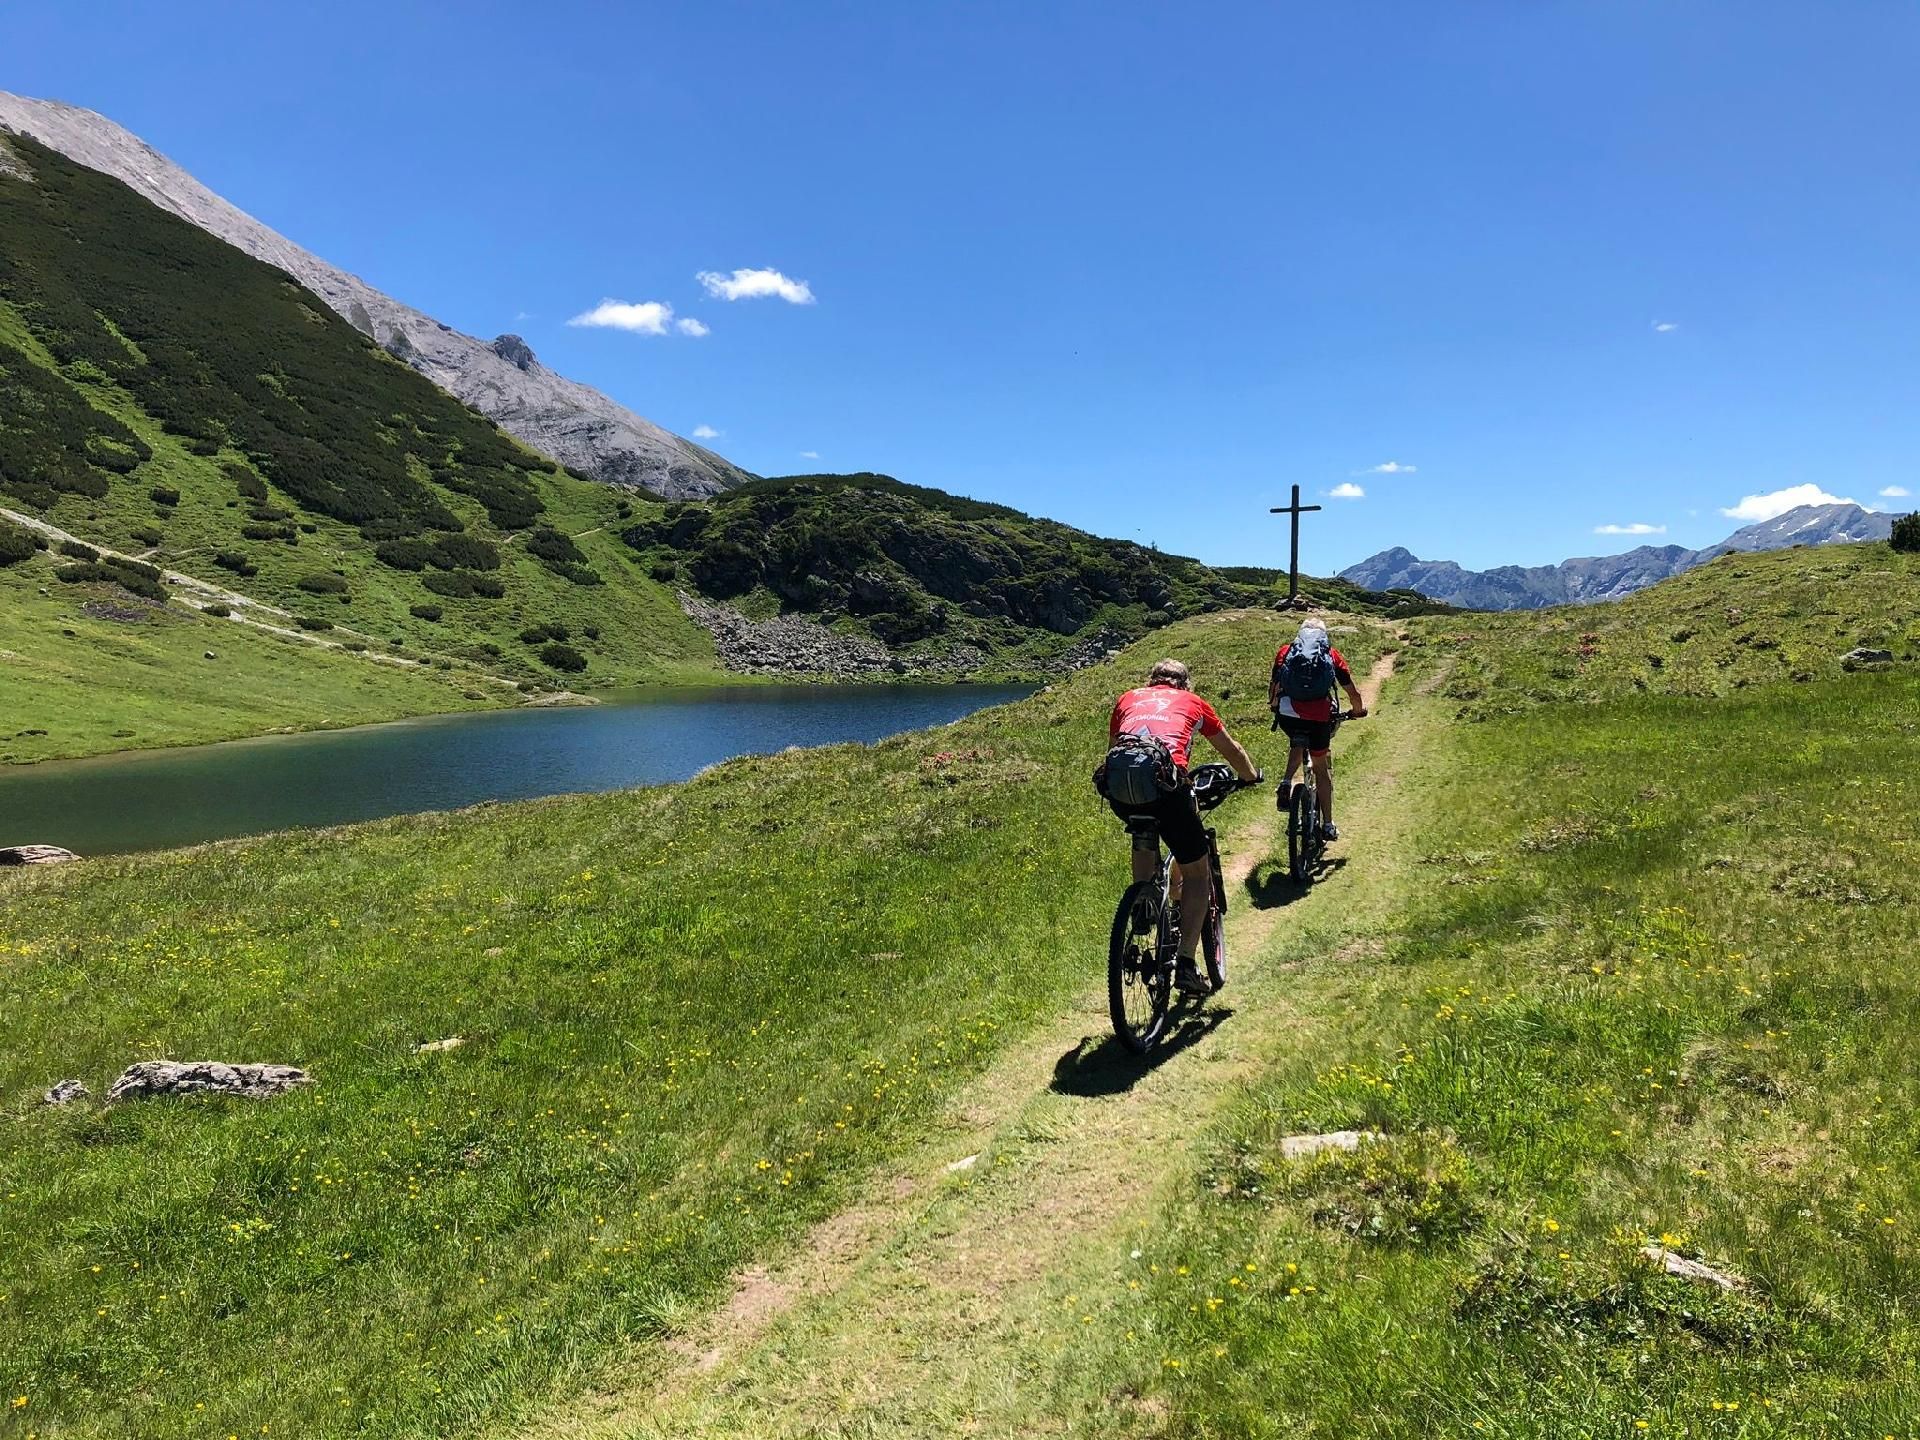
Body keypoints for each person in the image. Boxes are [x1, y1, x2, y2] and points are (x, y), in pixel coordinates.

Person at [1101, 659, 1262, 994]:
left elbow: (1114, 750)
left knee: (1143, 829)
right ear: (1186, 684)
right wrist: (1250, 776)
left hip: (1121, 790)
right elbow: (1231, 749)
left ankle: (1143, 904)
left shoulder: (1128, 698)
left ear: (1151, 680)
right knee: (1197, 873)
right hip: (1167, 789)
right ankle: (1186, 963)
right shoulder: (1194, 702)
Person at [1269, 618, 1367, 841]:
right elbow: (1353, 693)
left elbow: (1274, 686)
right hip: (1318, 719)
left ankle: (1286, 782)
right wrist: (1357, 711)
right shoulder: (1330, 654)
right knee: (1321, 768)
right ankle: (1329, 825)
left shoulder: (1286, 651)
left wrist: (1275, 706)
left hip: (1288, 716)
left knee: (1297, 741)